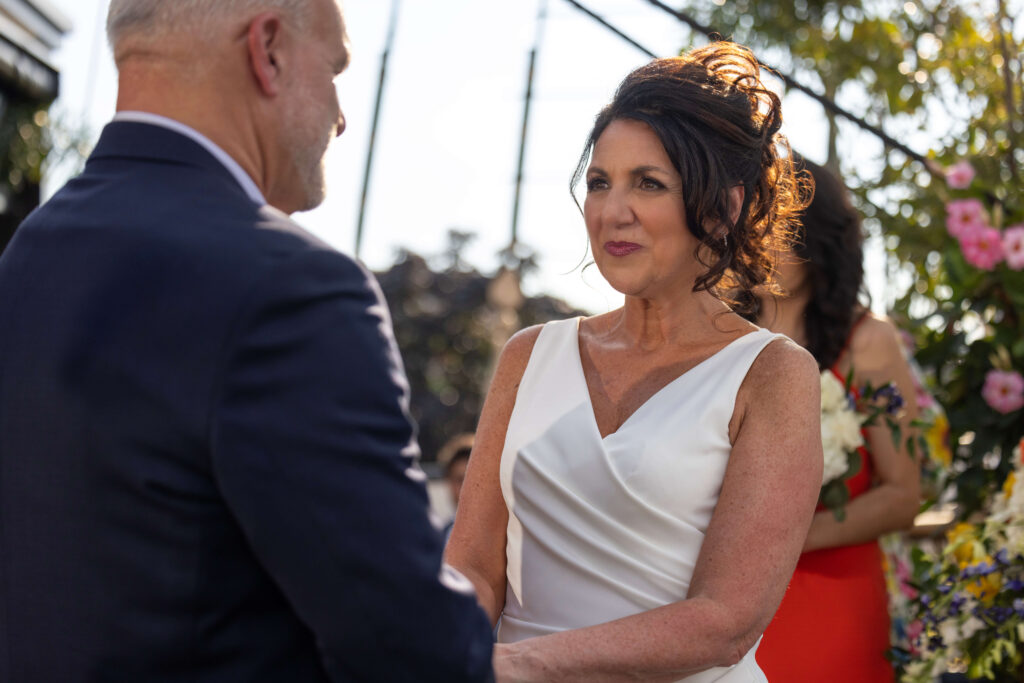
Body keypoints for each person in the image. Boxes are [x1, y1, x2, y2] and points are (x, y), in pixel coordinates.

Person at [0, 1, 494, 681]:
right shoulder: (293, 289)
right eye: (335, 68)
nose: (340, 114)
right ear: (267, 49)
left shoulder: (30, 253)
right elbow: (415, 651)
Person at [446, 42, 823, 682]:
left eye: (648, 183)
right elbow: (473, 566)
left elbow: (725, 620)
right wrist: (443, 654)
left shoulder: (772, 375)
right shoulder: (530, 355)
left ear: (723, 206)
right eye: (599, 182)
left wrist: (520, 665)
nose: (611, 211)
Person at [753, 158, 921, 681]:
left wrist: (786, 540)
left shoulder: (869, 343)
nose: (758, 239)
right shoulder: (714, 338)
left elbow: (903, 494)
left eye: (776, 224)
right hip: (723, 596)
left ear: (816, 239)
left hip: (832, 596)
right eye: (750, 220)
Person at [438, 433, 475, 541]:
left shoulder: (507, 539)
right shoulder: (437, 539)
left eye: (471, 481)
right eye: (460, 480)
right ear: (448, 481)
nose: (465, 490)